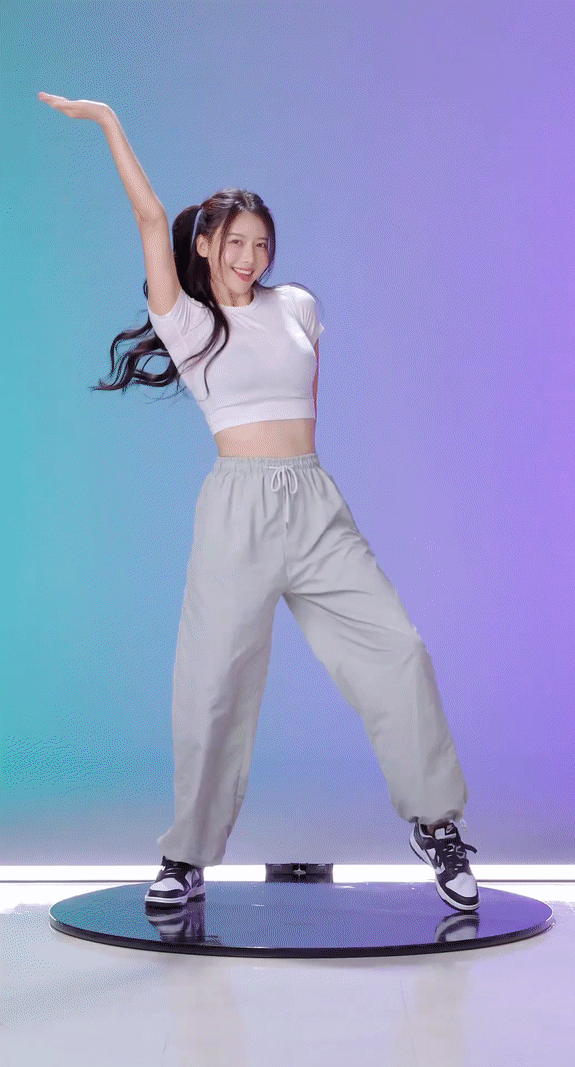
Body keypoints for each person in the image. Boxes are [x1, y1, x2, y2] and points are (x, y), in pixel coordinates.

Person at [38, 93, 480, 914]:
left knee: (398, 649)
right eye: (236, 242)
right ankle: (185, 855)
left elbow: (307, 401)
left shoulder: (299, 306)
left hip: (313, 501)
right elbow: (150, 216)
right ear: (207, 244)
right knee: (212, 685)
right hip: (236, 512)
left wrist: (297, 480)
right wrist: (107, 122)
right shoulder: (185, 321)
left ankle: (437, 823)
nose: (250, 256)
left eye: (261, 243)